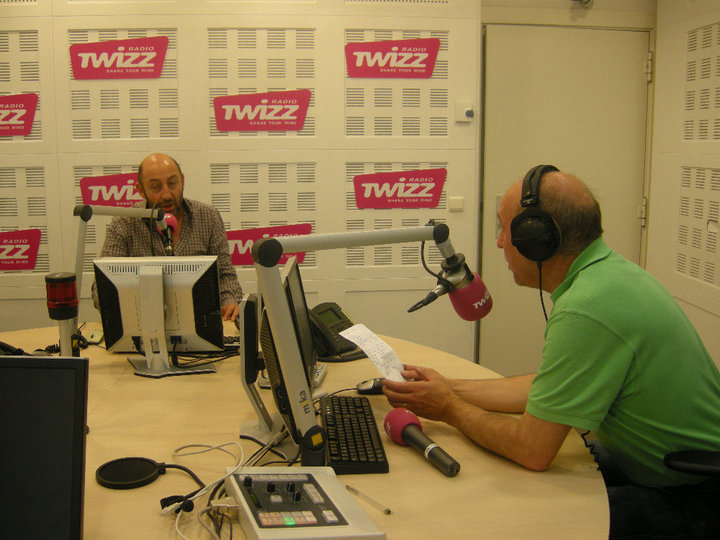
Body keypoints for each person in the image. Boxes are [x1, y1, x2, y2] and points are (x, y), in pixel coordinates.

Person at [383, 165, 720, 539]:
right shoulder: (607, 276)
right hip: (668, 470)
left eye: (505, 229)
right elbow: (545, 388)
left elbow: (532, 450)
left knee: (526, 523)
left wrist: (450, 409)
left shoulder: (588, 306)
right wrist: (449, 387)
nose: (499, 242)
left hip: (696, 496)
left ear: (537, 238)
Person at [93, 153, 242, 321]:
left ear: (182, 181)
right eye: (156, 187)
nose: (167, 195)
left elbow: (225, 275)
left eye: (172, 183)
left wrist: (229, 303)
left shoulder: (208, 216)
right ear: (140, 190)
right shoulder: (124, 223)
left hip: (201, 321)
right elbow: (101, 289)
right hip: (143, 323)